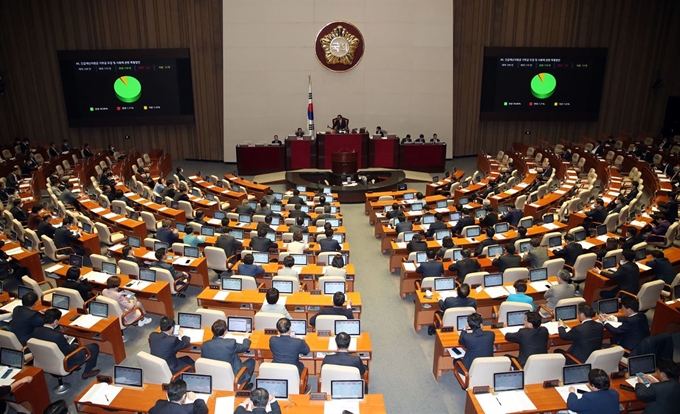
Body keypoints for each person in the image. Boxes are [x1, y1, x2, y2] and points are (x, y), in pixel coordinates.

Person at [33, 308, 100, 379]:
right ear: (55, 321)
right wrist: (75, 345)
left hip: (44, 359)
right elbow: (69, 351)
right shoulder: (57, 336)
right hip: (65, 360)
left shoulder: (36, 330)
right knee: (94, 347)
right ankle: (87, 372)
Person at [201, 319, 255, 385]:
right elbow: (245, 347)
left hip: (214, 376)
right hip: (233, 377)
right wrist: (246, 337)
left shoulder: (205, 345)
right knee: (252, 361)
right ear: (225, 331)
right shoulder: (230, 343)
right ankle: (244, 384)